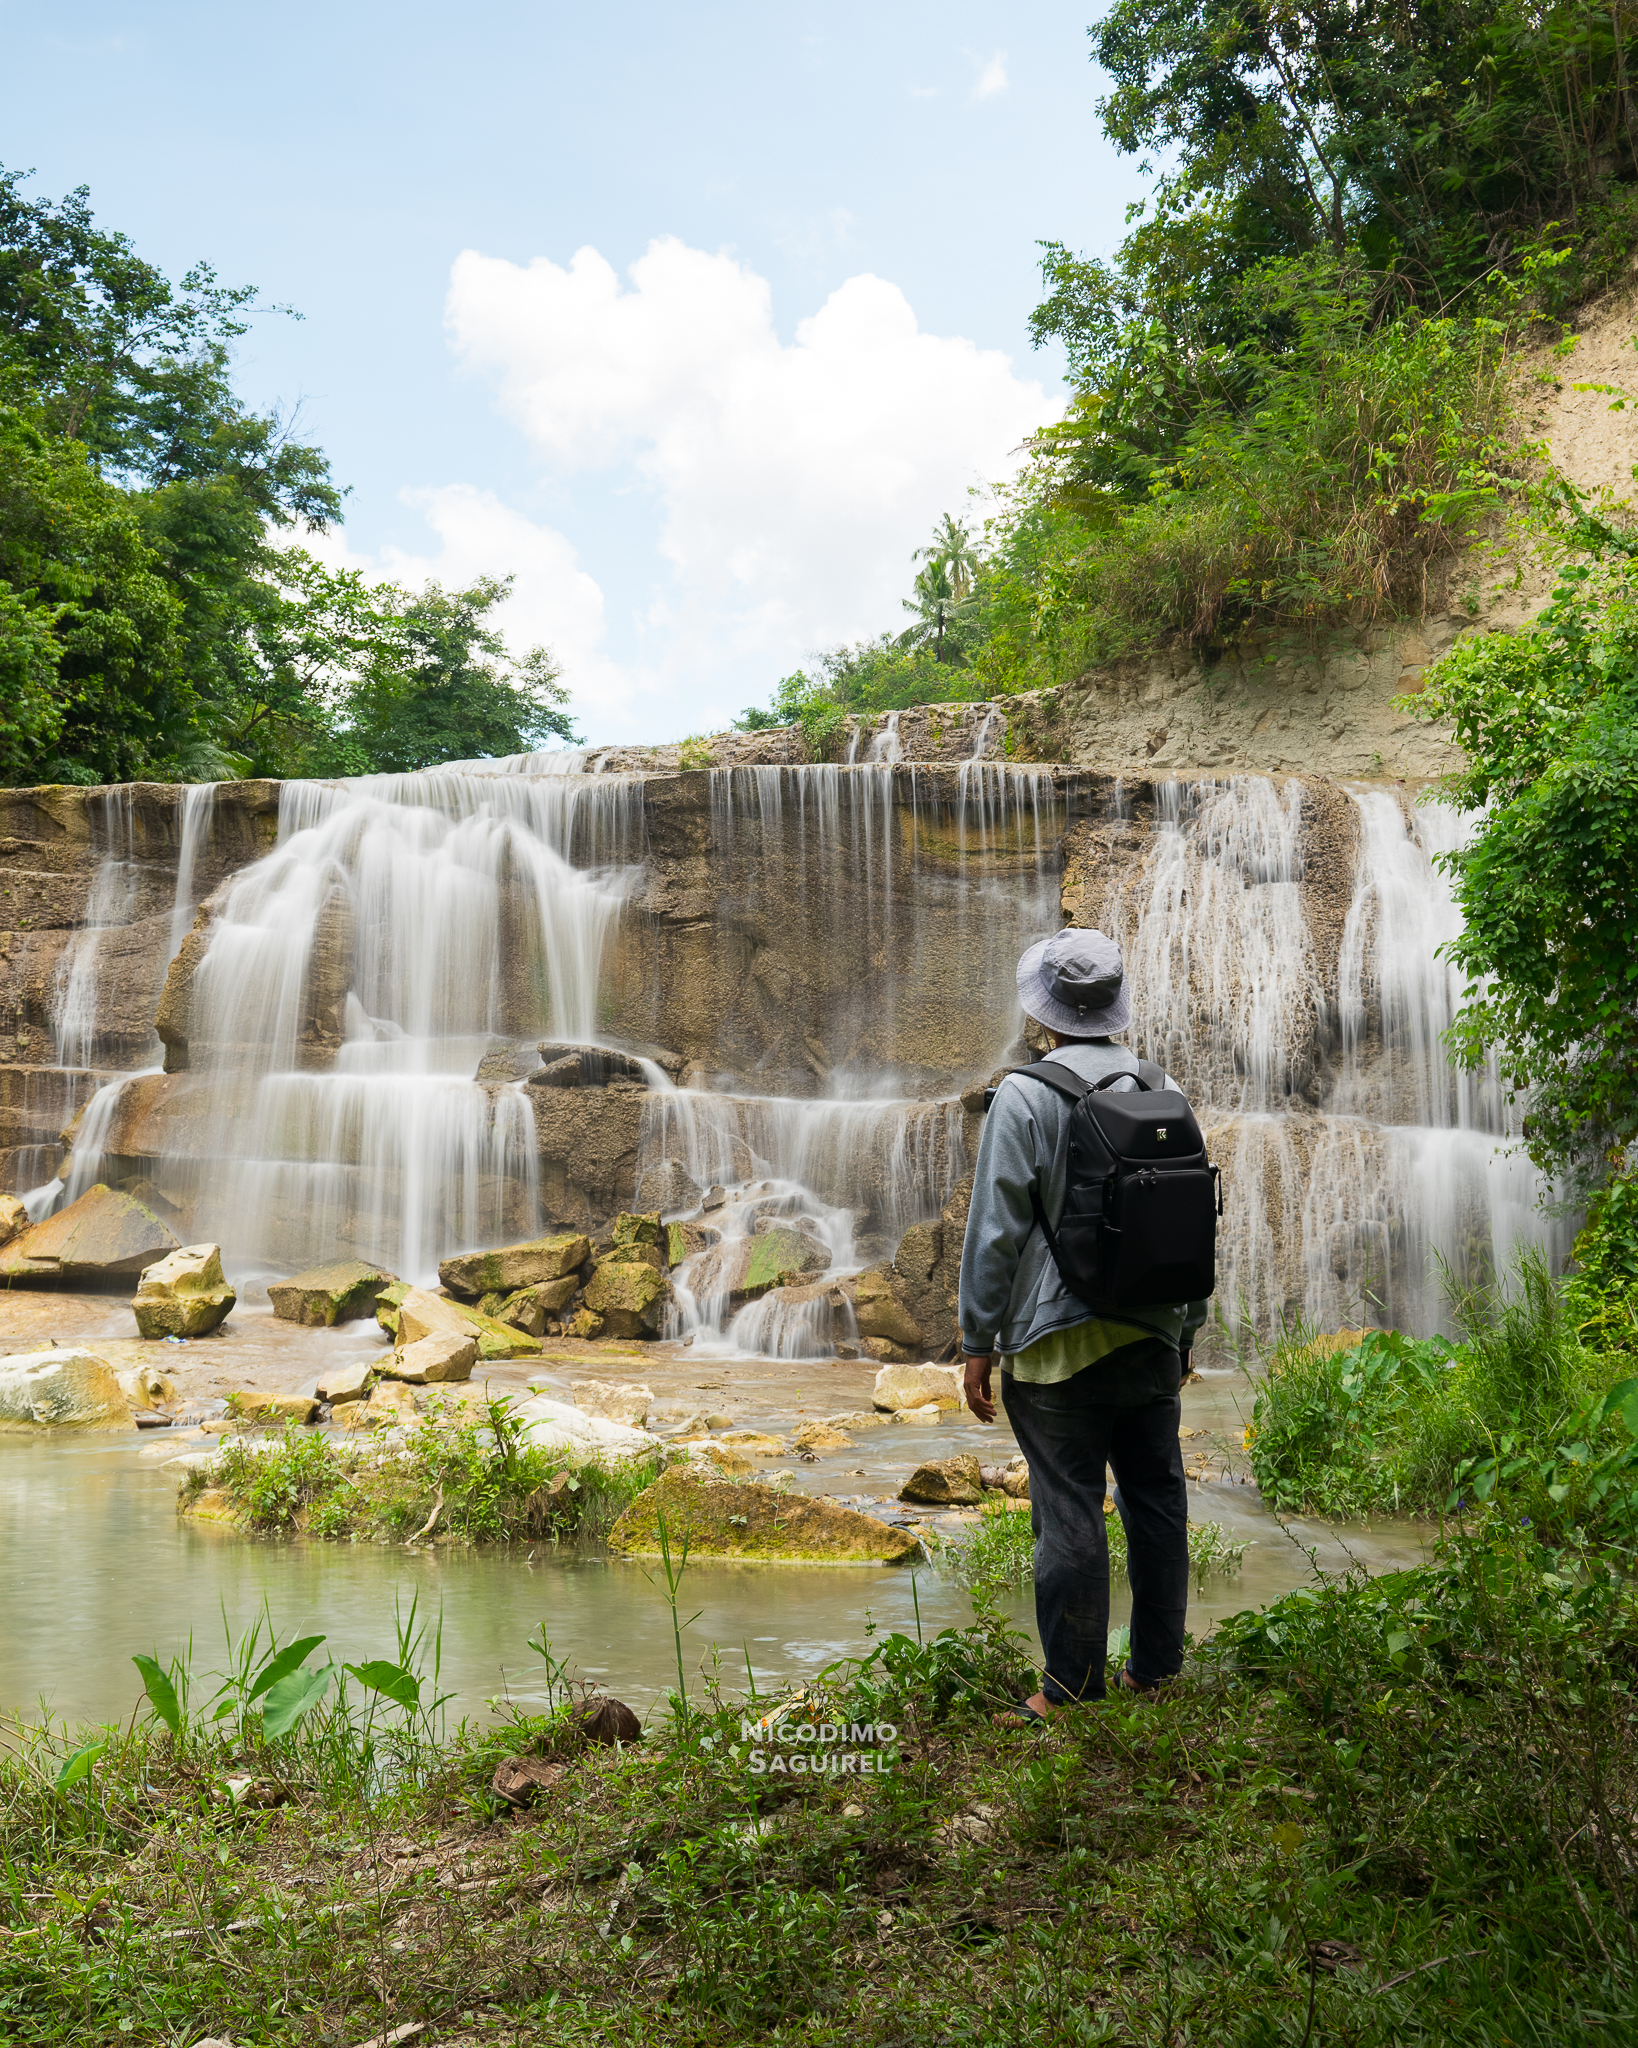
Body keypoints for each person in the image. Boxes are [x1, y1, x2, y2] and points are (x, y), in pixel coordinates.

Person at [959, 925, 1208, 1720]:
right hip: (1150, 1335)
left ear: (1046, 1013)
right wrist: (1185, 1331)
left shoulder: (1026, 1096)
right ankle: (1157, 1669)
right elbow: (1191, 1217)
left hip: (1055, 1345)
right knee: (1157, 1499)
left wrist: (977, 1342)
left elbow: (995, 1230)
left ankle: (1068, 1690)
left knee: (1068, 1509)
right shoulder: (1160, 1087)